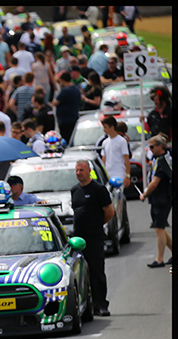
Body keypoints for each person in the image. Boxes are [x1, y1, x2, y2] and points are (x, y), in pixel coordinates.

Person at [71, 159, 114, 317]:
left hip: (94, 239)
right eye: (76, 170)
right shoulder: (74, 190)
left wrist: (96, 225)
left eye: (81, 170)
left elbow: (109, 212)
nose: (79, 173)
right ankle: (87, 305)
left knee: (97, 273)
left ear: (89, 171)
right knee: (82, 274)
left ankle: (101, 305)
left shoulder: (98, 189)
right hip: (78, 240)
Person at [140, 136, 173, 267]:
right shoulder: (159, 159)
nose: (150, 149)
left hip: (162, 197)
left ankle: (160, 259)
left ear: (160, 146)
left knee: (159, 227)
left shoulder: (162, 160)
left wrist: (145, 193)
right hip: (159, 197)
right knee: (159, 227)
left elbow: (155, 182)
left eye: (152, 146)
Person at [100, 116, 131, 189]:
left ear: (112, 127)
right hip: (108, 175)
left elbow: (126, 159)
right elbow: (103, 160)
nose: (104, 130)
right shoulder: (105, 142)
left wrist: (127, 176)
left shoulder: (121, 141)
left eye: (105, 127)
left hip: (119, 175)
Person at [50, 72, 81, 145]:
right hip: (74, 117)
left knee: (66, 140)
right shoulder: (76, 89)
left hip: (65, 120)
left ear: (63, 80)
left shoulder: (65, 91)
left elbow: (55, 102)